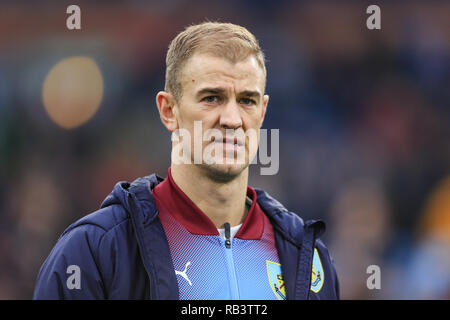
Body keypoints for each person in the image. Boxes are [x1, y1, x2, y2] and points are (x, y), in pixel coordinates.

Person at [33, 22, 339, 300]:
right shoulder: (93, 253)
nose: (232, 119)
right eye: (211, 98)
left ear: (262, 112)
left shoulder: (308, 258)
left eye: (247, 100)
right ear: (169, 110)